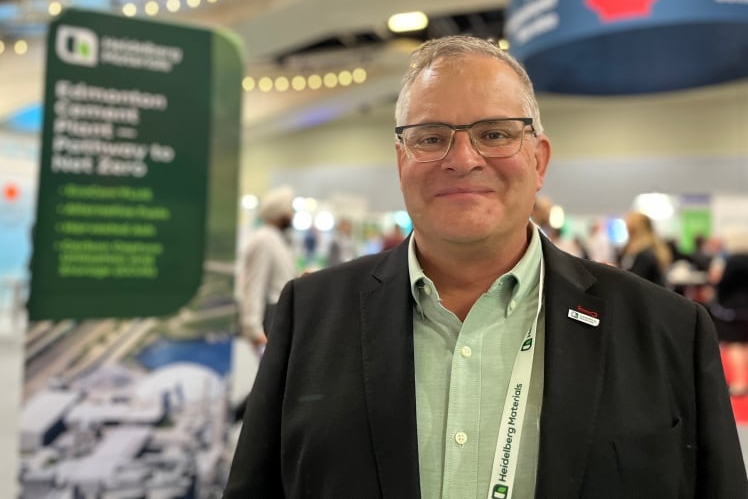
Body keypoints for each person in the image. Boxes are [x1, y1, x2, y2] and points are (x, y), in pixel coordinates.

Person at [223, 36, 746, 499]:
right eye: (430, 137)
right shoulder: (310, 316)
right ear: (402, 161)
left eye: (495, 134)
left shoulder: (666, 329)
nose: (462, 158)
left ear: (539, 160)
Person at [236, 186, 297, 348]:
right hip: (269, 320)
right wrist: (253, 329)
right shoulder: (263, 240)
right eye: (289, 209)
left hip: (280, 318)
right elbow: (254, 284)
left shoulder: (278, 239)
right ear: (280, 212)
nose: (292, 215)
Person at [709, 228, 748, 397]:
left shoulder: (733, 261)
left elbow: (723, 284)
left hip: (734, 309)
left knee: (736, 345)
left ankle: (740, 383)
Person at [618, 211, 673, 286]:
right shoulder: (630, 248)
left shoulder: (646, 252)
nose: (626, 227)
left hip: (646, 292)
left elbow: (638, 277)